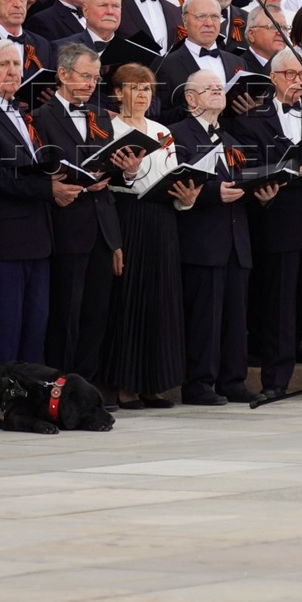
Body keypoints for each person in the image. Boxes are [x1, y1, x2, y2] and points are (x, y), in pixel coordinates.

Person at [231, 52, 302, 397]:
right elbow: (246, 169)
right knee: (278, 306)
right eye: (289, 73)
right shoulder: (250, 119)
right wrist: (285, 177)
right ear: (273, 77)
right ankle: (276, 381)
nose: (298, 80)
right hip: (278, 218)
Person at [0, 39, 75, 366]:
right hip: (3, 242)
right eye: (3, 64)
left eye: (16, 65)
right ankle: (1, 404)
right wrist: (47, 188)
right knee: (3, 330)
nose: (12, 71)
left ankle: (28, 402)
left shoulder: (20, 112)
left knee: (33, 330)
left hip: (37, 237)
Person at [34, 42, 139, 383]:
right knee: (67, 312)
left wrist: (129, 169)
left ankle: (88, 388)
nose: (91, 84)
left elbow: (111, 175)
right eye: (84, 76)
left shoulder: (100, 117)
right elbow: (42, 171)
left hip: (101, 227)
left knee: (97, 313)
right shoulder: (41, 118)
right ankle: (61, 388)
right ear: (62, 75)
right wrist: (80, 181)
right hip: (66, 226)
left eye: (95, 78)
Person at [169, 68, 260, 404]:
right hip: (202, 239)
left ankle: (232, 378)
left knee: (235, 315)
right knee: (204, 316)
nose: (218, 93)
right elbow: (177, 181)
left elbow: (239, 183)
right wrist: (212, 193)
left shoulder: (232, 139)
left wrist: (258, 192)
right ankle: (199, 382)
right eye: (210, 89)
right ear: (191, 98)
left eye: (220, 88)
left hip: (237, 239)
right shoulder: (178, 135)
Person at [101, 63, 190, 408]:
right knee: (131, 297)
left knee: (160, 298)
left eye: (147, 89)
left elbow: (170, 172)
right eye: (134, 88)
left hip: (162, 217)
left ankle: (154, 382)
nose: (141, 95)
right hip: (128, 214)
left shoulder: (162, 130)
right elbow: (105, 174)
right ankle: (126, 385)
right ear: (118, 92)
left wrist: (186, 197)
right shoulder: (108, 127)